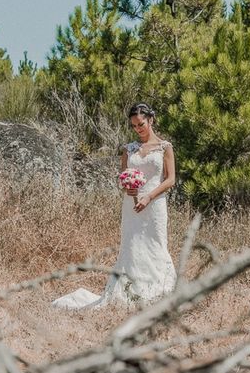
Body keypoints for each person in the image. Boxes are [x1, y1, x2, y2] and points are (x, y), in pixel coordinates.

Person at [52, 103, 177, 309]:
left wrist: (148, 197)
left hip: (154, 205)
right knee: (132, 246)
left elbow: (170, 179)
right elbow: (123, 177)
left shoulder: (165, 147)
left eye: (141, 124)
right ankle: (129, 291)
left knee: (156, 244)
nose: (138, 129)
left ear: (151, 120)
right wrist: (128, 188)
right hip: (132, 205)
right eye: (134, 126)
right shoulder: (129, 150)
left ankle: (161, 290)